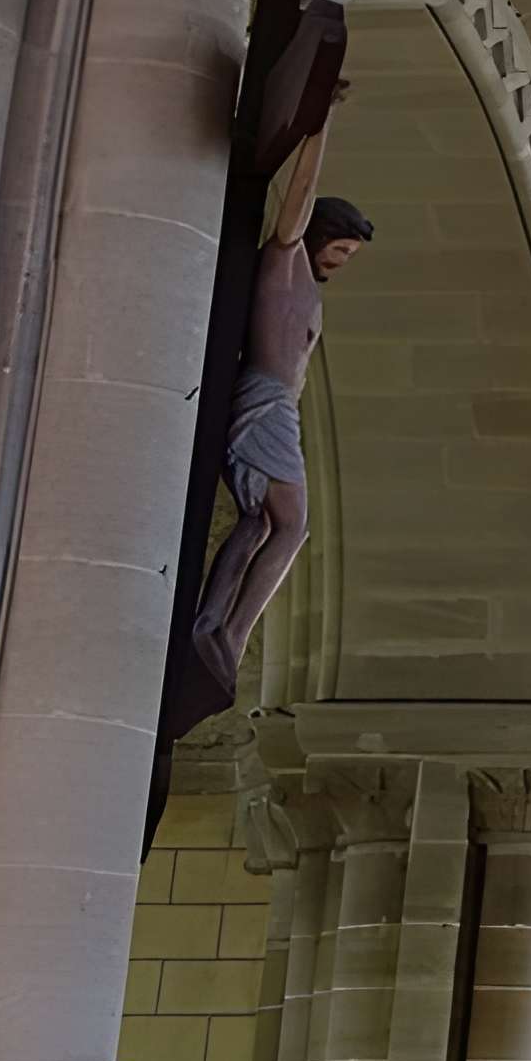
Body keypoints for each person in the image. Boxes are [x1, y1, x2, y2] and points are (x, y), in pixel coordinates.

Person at [189, 113, 371, 686]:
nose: (339, 263)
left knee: (266, 523)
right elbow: (298, 194)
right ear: (318, 235)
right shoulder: (284, 257)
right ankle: (231, 634)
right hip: (266, 404)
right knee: (292, 526)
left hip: (275, 409)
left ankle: (215, 623)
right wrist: (319, 127)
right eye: (339, 249)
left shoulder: (305, 284)